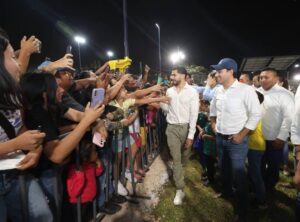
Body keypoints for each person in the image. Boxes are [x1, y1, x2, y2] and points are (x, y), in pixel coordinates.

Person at [0, 30, 53, 222]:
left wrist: (34, 148)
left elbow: (19, 129)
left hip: (16, 173)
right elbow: (17, 140)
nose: (19, 64)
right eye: (12, 57)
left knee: (43, 216)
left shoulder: (12, 94)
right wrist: (16, 145)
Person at [210, 58, 261, 221]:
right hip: (220, 138)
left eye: (220, 71)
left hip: (236, 141)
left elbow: (256, 114)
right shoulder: (218, 90)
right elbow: (212, 111)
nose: (217, 74)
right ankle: (226, 192)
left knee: (239, 175)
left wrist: (242, 134)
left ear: (231, 71)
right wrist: (213, 124)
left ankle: (243, 209)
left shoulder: (245, 90)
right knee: (224, 169)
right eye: (217, 71)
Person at [160, 66, 199, 205]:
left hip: (186, 127)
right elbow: (166, 110)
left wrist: (191, 135)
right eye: (171, 75)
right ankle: (180, 189)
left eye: (174, 75)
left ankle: (179, 173)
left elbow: (194, 114)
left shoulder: (192, 92)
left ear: (183, 75)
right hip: (171, 128)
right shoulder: (169, 91)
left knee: (184, 158)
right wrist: (162, 101)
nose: (171, 77)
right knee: (176, 159)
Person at [259, 67, 294, 194]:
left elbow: (289, 117)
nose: (262, 80)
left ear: (275, 78)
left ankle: (269, 187)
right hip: (258, 137)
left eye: (266, 77)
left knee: (273, 165)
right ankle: (260, 185)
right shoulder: (257, 92)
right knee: (259, 164)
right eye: (261, 77)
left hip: (275, 138)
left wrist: (282, 137)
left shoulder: (284, 94)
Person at [67, 141, 104, 222]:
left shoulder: (90, 164)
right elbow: (74, 192)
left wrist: (98, 163)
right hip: (78, 203)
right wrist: (80, 176)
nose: (96, 152)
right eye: (94, 151)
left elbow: (97, 173)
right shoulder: (75, 170)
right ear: (86, 155)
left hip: (89, 199)